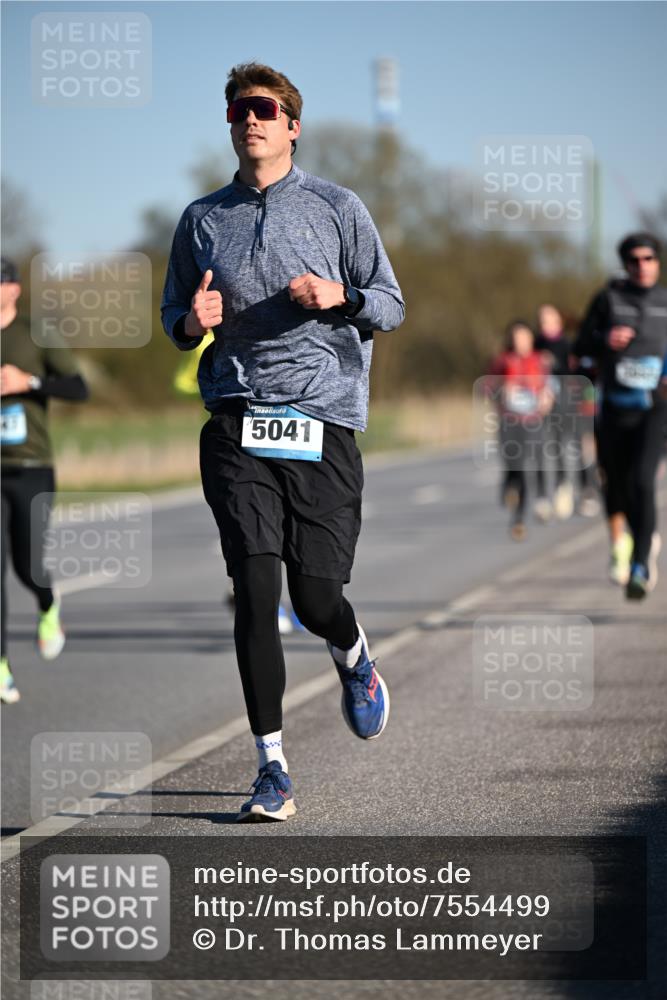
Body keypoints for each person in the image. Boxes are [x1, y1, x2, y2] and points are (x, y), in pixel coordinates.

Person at [161, 63, 405, 820]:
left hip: (323, 420)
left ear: (292, 125)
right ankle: (271, 768)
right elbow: (173, 318)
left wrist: (343, 296)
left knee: (315, 597)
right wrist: (190, 322)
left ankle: (353, 653)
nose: (250, 119)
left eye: (265, 109)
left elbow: (391, 305)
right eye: (238, 109)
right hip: (237, 420)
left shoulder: (338, 206)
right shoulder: (202, 217)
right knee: (256, 589)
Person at [1, 257, 89, 702]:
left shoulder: (34, 332)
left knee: (27, 564)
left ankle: (47, 602)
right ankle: (1, 667)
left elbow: (78, 388)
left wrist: (27, 382)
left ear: (13, 289)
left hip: (33, 467)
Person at [572, 232, 667, 599]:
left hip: (655, 408)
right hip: (614, 408)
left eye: (648, 259)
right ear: (625, 264)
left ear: (657, 262)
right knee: (619, 487)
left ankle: (640, 565)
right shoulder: (608, 299)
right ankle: (637, 540)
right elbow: (580, 347)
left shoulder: (664, 301)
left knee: (643, 482)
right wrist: (604, 341)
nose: (642, 266)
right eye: (634, 260)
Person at [489, 321, 553, 541]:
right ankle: (508, 485)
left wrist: (546, 399)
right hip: (509, 422)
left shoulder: (539, 360)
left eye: (524, 337)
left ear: (531, 339)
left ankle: (518, 520)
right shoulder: (502, 361)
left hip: (531, 421)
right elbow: (488, 388)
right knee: (512, 466)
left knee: (526, 468)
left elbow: (549, 387)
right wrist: (502, 393)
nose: (520, 342)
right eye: (516, 338)